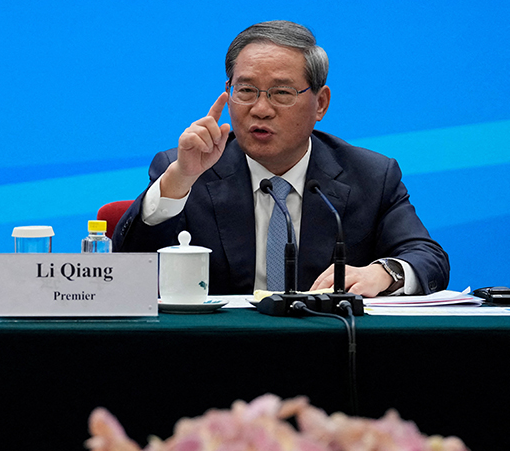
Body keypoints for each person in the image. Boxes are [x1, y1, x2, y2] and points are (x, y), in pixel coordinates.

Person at [113, 20, 448, 297]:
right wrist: (181, 179)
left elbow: (428, 258)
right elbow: (126, 270)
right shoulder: (187, 170)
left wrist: (384, 273)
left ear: (320, 104)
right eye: (246, 91)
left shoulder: (370, 175)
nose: (261, 109)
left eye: (282, 93)